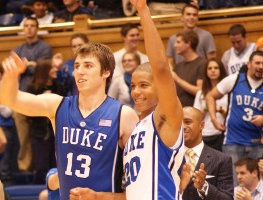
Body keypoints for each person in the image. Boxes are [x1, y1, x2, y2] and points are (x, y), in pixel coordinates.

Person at [70, 0, 184, 199]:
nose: (136, 92)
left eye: (144, 85)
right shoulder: (136, 129)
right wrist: (97, 196)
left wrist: (143, 11)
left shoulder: (166, 117)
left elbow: (161, 67)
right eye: (132, 86)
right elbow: (131, 195)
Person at [0, 40, 139, 200]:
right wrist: (10, 76)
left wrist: (98, 197)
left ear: (106, 72)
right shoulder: (57, 105)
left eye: (88, 65)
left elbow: (138, 187)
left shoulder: (124, 115)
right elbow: (10, 100)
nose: (79, 71)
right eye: (77, 66)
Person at [206, 50, 263, 186]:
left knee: (258, 184)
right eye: (257, 63)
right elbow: (210, 96)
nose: (261, 66)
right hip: (233, 141)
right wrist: (214, 119)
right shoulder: (235, 79)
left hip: (257, 144)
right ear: (249, 64)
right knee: (234, 183)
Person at [13, 16, 52, 172]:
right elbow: (16, 72)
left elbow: (41, 69)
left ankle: (41, 166)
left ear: (37, 28)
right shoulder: (18, 49)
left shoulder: (45, 47)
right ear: (23, 29)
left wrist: (26, 66)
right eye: (26, 25)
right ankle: (25, 166)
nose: (29, 28)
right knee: (19, 120)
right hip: (21, 96)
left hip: (39, 94)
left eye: (32, 25)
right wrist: (30, 65)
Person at [182, 106, 234, 200]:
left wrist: (204, 186)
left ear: (201, 125)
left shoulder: (221, 160)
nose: (182, 126)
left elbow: (227, 198)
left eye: (187, 122)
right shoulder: (168, 156)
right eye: (178, 123)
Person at [26, 58, 65, 184]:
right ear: (45, 71)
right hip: (39, 134)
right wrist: (41, 102)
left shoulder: (60, 88)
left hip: (57, 134)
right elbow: (28, 114)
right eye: (52, 67)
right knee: (41, 165)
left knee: (57, 164)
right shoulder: (32, 89)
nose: (55, 70)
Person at [167, 4, 216, 69]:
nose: (191, 17)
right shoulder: (173, 39)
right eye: (188, 14)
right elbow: (170, 64)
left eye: (194, 15)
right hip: (180, 75)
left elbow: (212, 61)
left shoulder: (207, 36)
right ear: (182, 17)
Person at [193, 58, 227, 151]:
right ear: (206, 72)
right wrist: (206, 108)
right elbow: (196, 116)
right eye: (210, 68)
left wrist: (221, 110)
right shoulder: (200, 93)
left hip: (221, 133)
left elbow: (231, 114)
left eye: (216, 68)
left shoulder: (227, 92)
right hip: (204, 133)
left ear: (221, 70)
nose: (213, 70)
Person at [172, 30, 206, 107]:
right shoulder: (178, 66)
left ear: (188, 43)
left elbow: (200, 91)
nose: (175, 45)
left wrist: (178, 80)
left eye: (178, 42)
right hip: (178, 111)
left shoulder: (202, 64)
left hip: (194, 111)